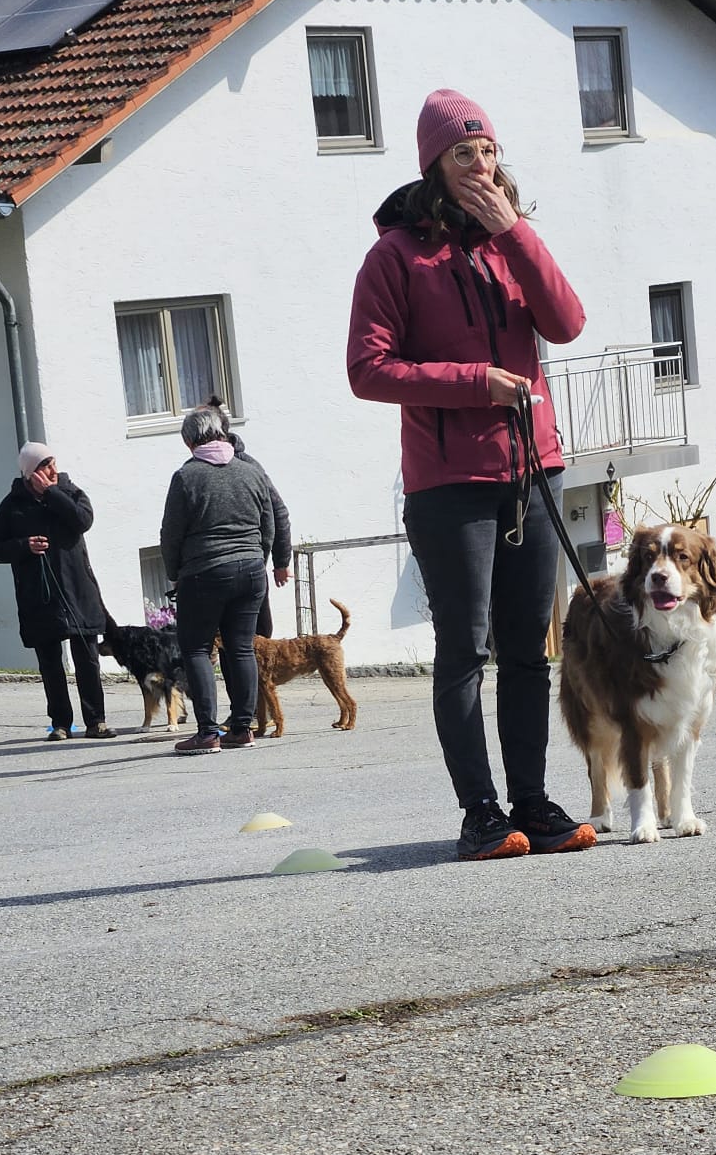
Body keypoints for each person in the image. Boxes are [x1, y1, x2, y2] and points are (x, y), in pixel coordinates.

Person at [347, 87, 597, 862]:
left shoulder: (511, 240)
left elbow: (567, 322)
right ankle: (480, 813)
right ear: (434, 163)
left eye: (489, 150)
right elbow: (368, 369)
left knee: (531, 649)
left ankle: (533, 803)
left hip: (534, 467)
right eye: (464, 152)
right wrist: (472, 380)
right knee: (467, 649)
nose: (481, 164)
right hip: (448, 482)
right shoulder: (395, 257)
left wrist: (515, 234)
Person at [160, 405, 277, 755]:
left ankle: (208, 732)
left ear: (188, 440)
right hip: (251, 569)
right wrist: (259, 560)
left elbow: (171, 534)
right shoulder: (250, 472)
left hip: (205, 571)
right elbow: (269, 524)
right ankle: (242, 728)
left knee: (195, 647)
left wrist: (174, 573)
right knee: (240, 647)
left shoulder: (187, 476)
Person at [0, 441, 117, 740]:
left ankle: (96, 721)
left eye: (53, 462)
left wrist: (52, 493)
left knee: (87, 659)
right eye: (45, 466)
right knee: (50, 663)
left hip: (77, 589)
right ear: (31, 473)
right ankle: (61, 723)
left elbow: (83, 521)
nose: (53, 470)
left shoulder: (70, 492)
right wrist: (23, 546)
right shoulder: (13, 504)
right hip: (39, 595)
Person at [204, 396, 293, 637]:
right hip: (236, 565)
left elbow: (278, 512)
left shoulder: (247, 466)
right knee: (233, 639)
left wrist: (281, 562)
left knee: (257, 637)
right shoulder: (199, 468)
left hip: (246, 564)